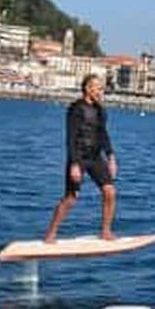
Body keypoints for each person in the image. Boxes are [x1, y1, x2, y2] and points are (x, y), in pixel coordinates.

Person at [44, 74, 118, 242]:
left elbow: (103, 135)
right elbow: (70, 137)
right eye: (98, 88)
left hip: (95, 157)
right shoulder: (76, 108)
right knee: (71, 198)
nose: (101, 91)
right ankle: (51, 233)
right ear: (88, 88)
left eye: (101, 88)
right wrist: (75, 164)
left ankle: (106, 231)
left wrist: (111, 157)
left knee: (110, 192)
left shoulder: (100, 110)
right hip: (78, 157)